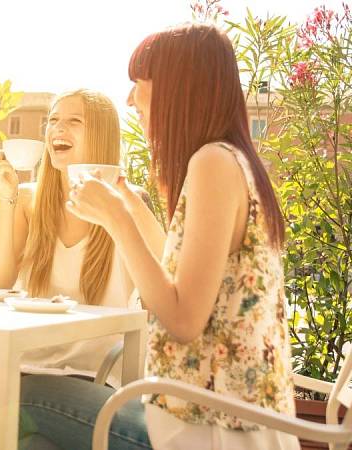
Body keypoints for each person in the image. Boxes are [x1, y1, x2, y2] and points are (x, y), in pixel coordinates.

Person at [27, 23, 297, 449]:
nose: (130, 98)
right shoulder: (231, 160)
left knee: (25, 395)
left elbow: (183, 318)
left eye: (139, 83)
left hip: (211, 432)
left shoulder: (213, 164)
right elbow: (172, 270)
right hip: (216, 420)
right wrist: (128, 202)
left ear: (178, 87)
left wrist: (116, 220)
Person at [0, 89, 138, 449]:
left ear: (102, 135)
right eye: (53, 120)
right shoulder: (28, 199)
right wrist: (7, 200)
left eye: (74, 121)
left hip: (93, 378)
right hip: (21, 368)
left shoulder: (127, 204)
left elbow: (160, 292)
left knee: (26, 437)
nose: (59, 128)